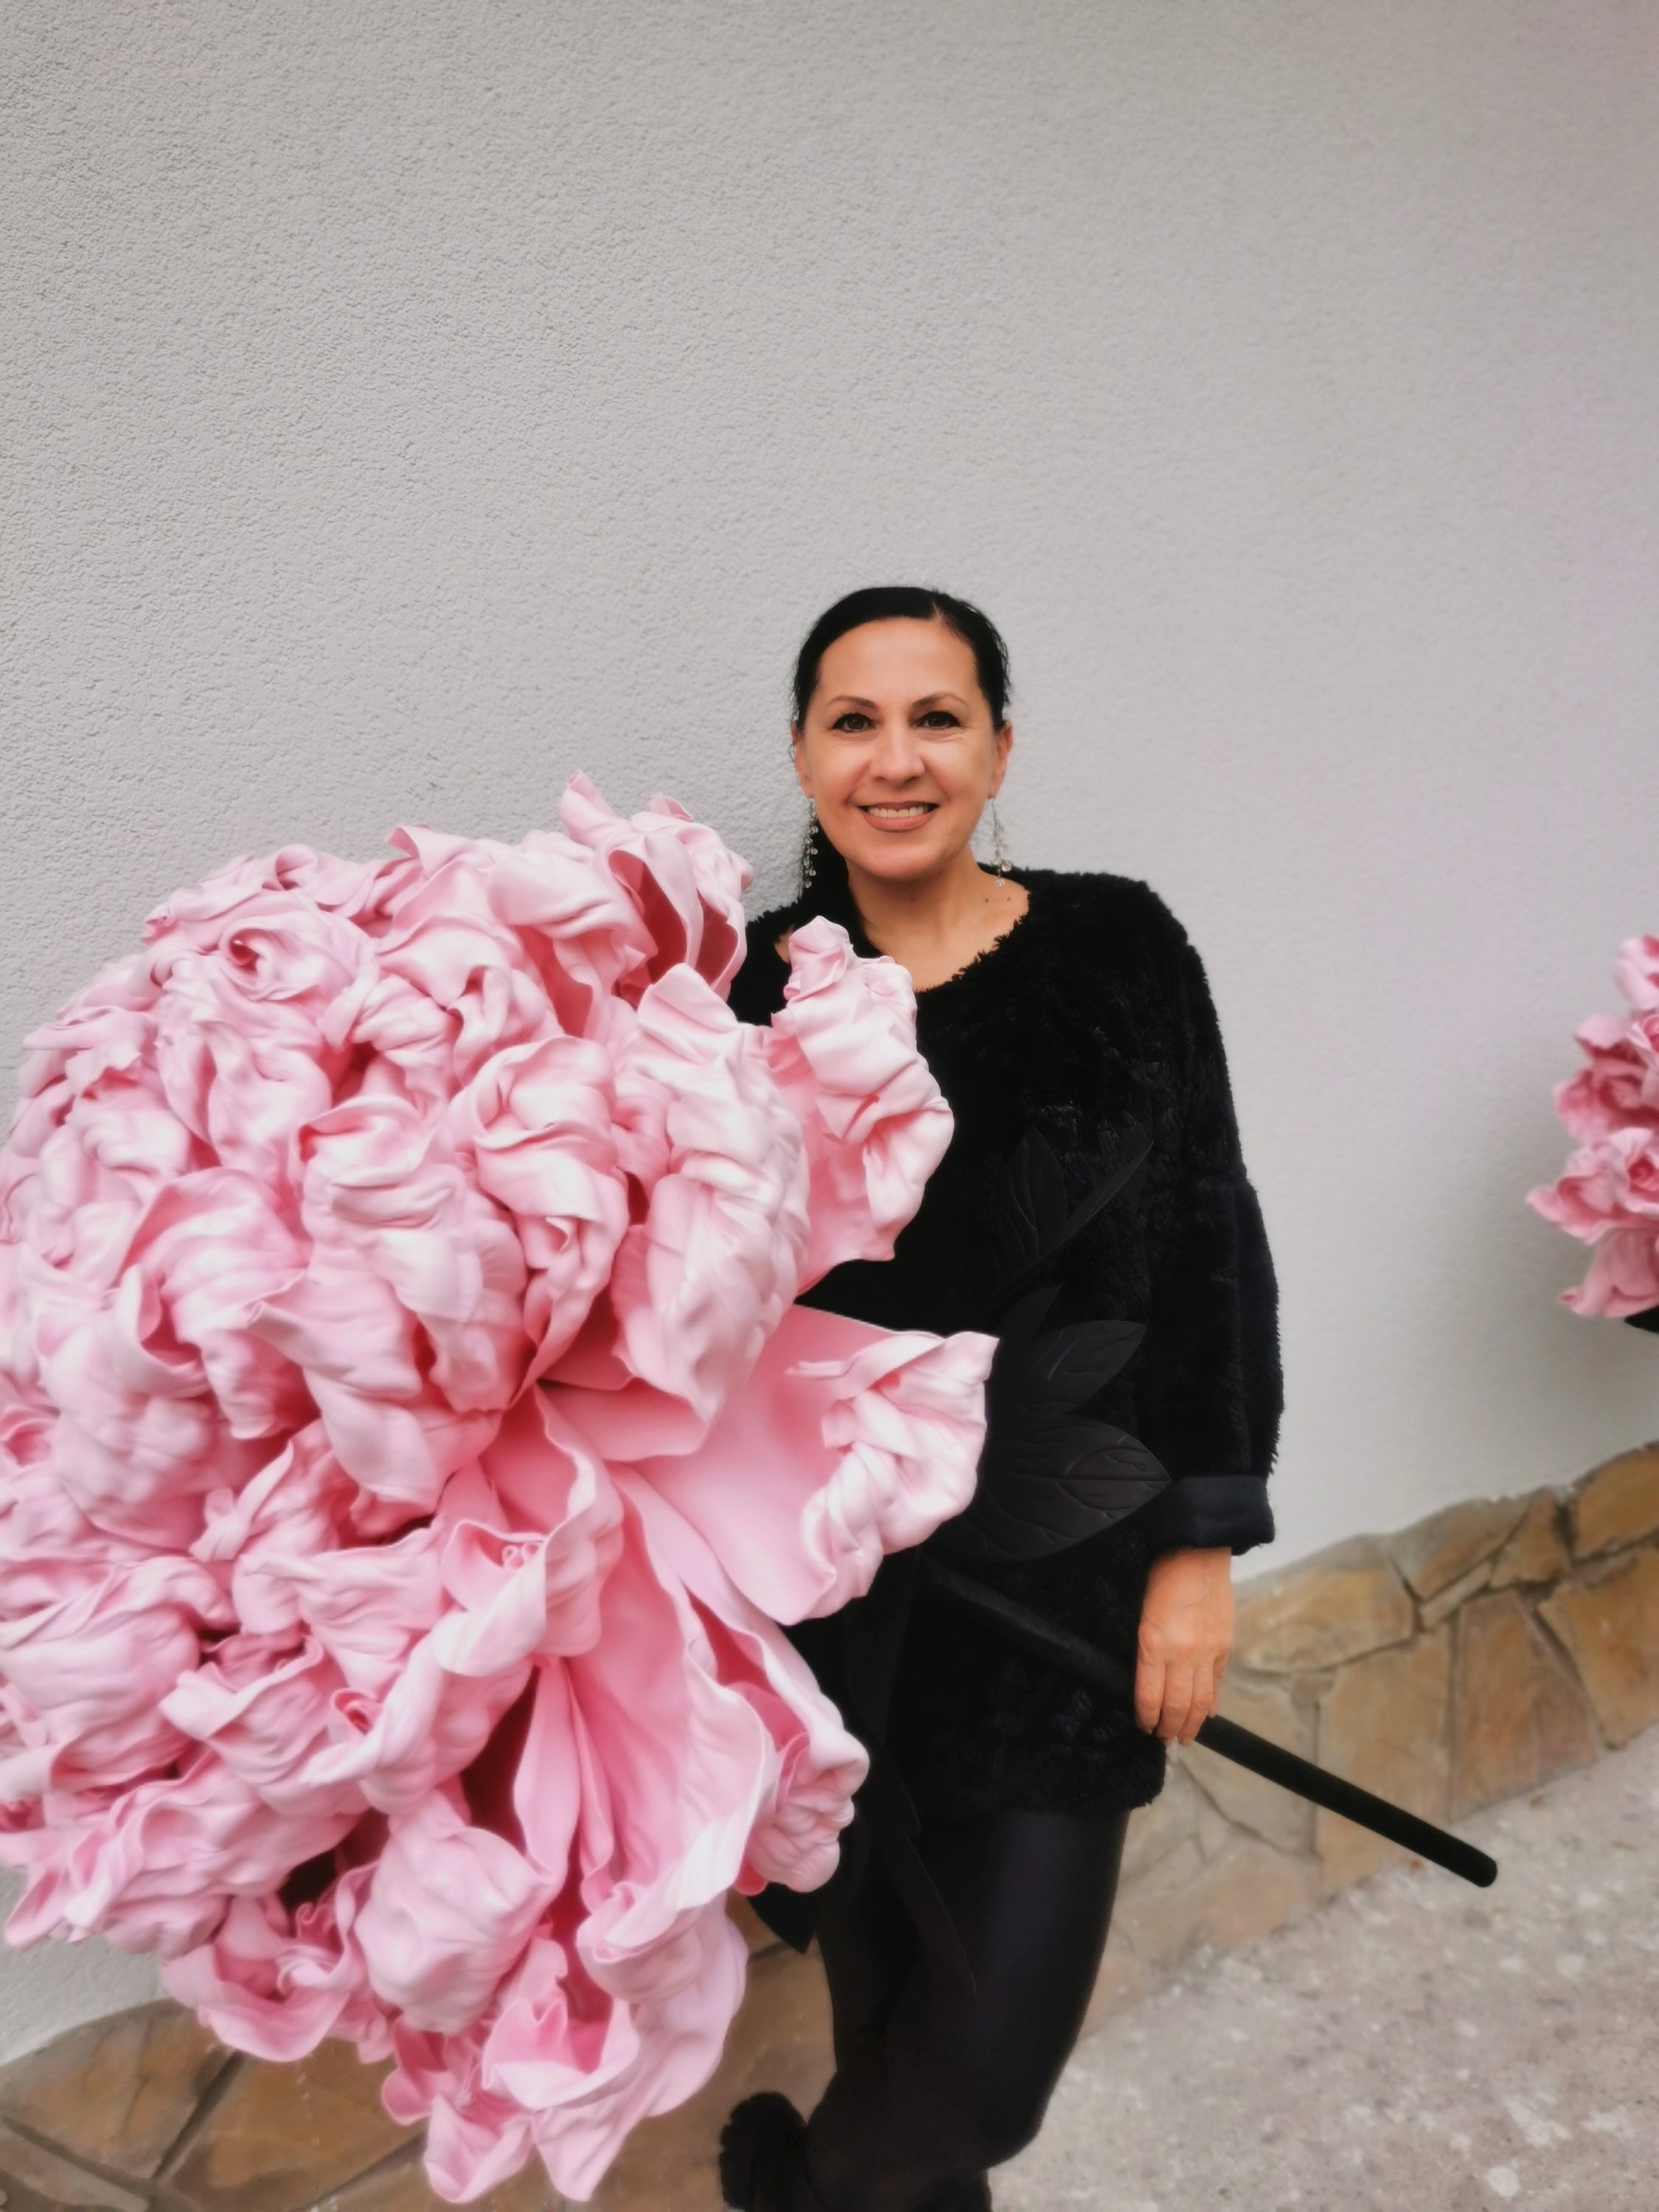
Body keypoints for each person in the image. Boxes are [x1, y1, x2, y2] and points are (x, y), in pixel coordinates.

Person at [719, 586, 1281, 2212]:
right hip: (838, 1609)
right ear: (807, 753)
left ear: (1000, 747)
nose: (896, 759)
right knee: (890, 2026)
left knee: (978, 2084)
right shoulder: (754, 997)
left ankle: (785, 2191)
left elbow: (1205, 1242)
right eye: (855, 719)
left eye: (938, 717)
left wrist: (1198, 1550)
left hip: (1066, 1593)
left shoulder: (1117, 950)